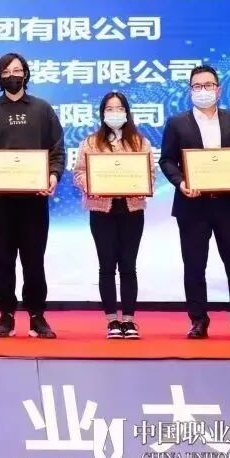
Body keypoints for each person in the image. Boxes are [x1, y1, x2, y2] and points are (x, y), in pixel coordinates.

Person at [159, 64, 230, 340]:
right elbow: (166, 160)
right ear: (190, 91)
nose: (203, 90)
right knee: (195, 265)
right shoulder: (177, 123)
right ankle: (198, 320)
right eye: (197, 86)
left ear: (218, 90)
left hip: (229, 205)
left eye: (208, 85)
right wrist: (181, 183)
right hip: (192, 205)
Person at [0, 53, 64, 339]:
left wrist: (53, 175)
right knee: (2, 258)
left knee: (34, 259)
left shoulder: (42, 109)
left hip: (34, 200)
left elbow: (57, 150)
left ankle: (37, 316)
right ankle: (6, 315)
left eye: (18, 70)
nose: (13, 75)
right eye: (7, 71)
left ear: (26, 74)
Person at [72, 91, 155, 340]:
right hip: (102, 211)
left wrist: (142, 184)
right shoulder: (91, 142)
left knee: (128, 265)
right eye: (109, 109)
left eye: (119, 108)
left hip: (132, 210)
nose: (114, 113)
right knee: (107, 265)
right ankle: (112, 320)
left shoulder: (140, 142)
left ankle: (129, 320)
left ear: (127, 112)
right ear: (102, 113)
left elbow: (150, 174)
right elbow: (79, 172)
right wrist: (90, 185)